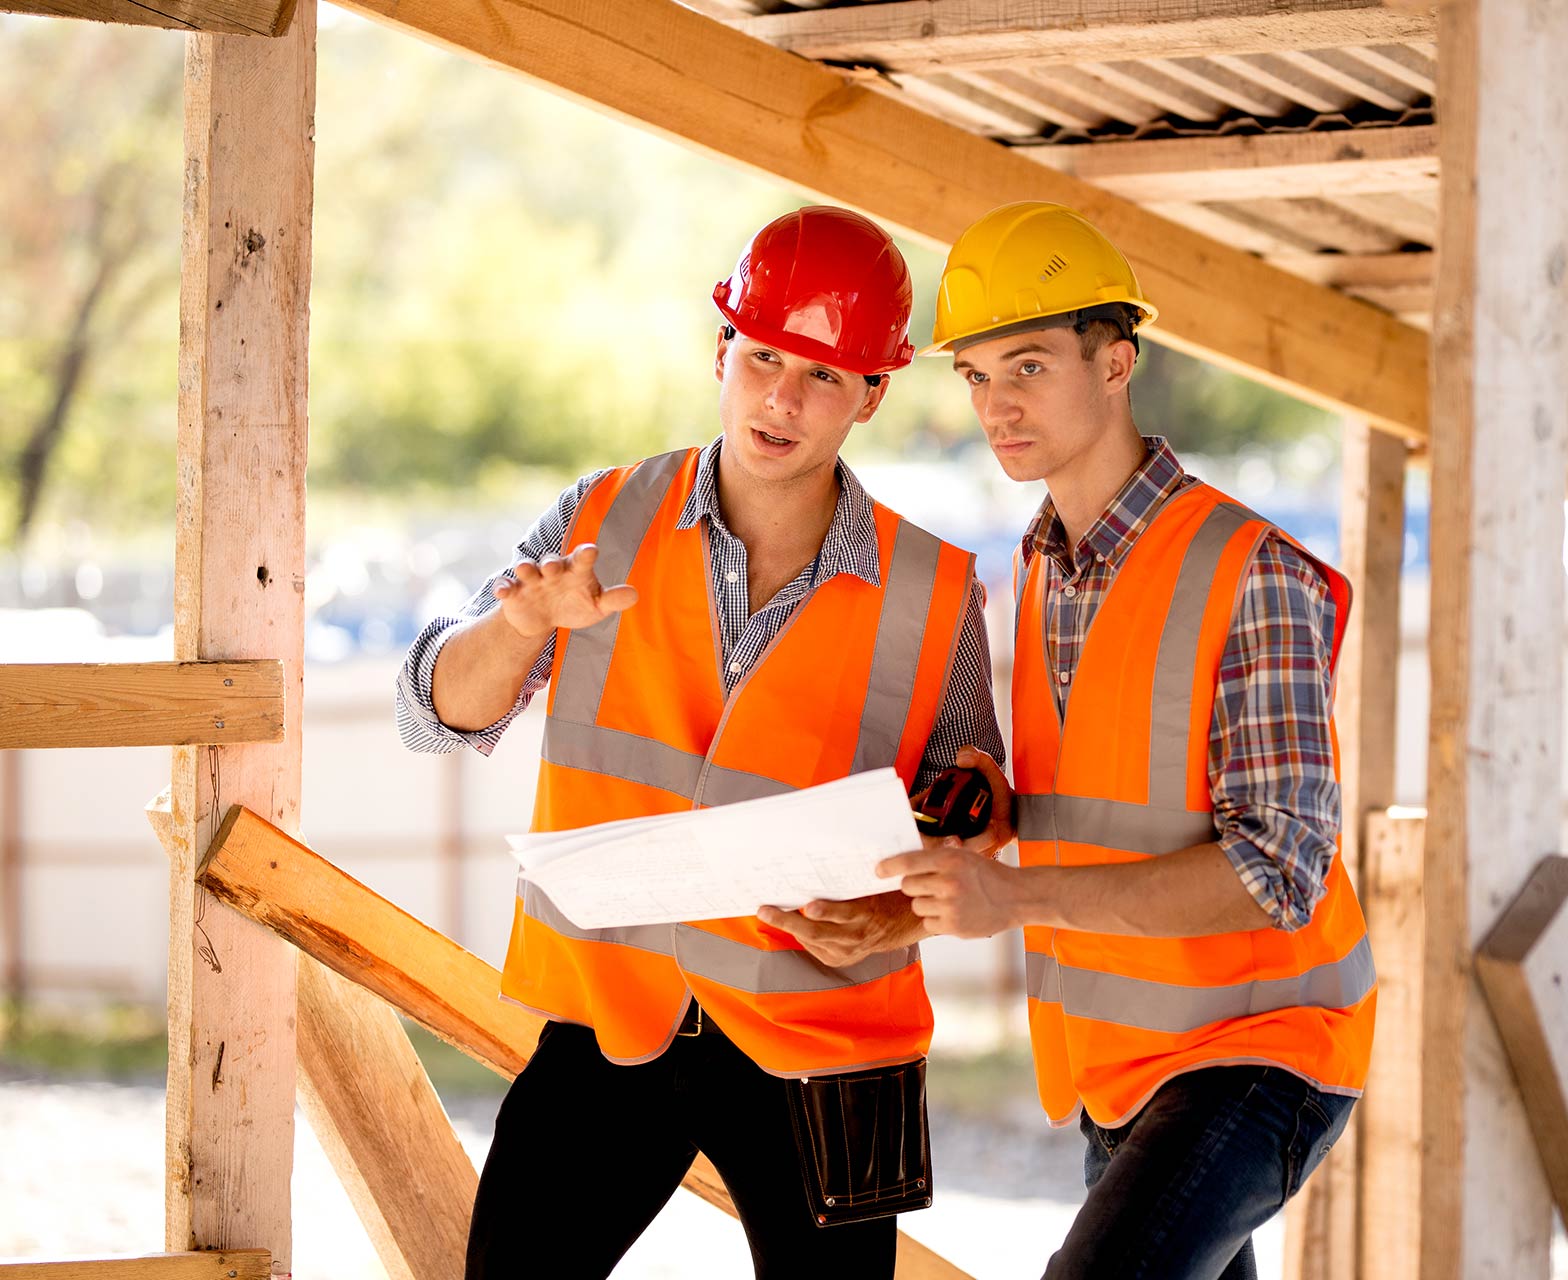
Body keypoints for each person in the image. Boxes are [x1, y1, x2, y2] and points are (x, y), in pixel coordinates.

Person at [395, 205, 1006, 1280]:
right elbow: (432, 711)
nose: (780, 397)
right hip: (616, 1021)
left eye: (822, 374)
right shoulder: (601, 519)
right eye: (762, 357)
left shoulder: (936, 591)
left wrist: (896, 905)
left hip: (827, 1039)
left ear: (873, 391)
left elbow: (976, 813)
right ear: (721, 350)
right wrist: (522, 625)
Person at [879, 202, 1375, 1279]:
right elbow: (1106, 789)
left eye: (1028, 364)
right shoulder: (1041, 564)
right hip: (1121, 1058)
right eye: (973, 375)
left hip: (1263, 1045)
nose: (996, 404)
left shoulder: (1253, 571)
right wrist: (995, 807)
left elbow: (1278, 867)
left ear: (1118, 361)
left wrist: (1015, 900)